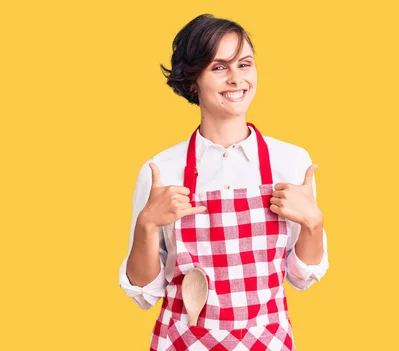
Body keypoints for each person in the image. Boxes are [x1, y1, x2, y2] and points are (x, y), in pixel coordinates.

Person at [118, 14, 329, 351]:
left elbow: (301, 277)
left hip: (267, 342)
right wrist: (147, 223)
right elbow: (144, 293)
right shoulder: (161, 170)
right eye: (219, 67)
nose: (236, 79)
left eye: (244, 64)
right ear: (192, 81)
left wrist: (314, 223)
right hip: (183, 342)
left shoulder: (292, 162)